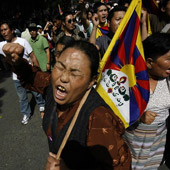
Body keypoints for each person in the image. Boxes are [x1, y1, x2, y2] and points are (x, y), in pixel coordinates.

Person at [2, 40, 132, 169]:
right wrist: (17, 61)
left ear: (91, 81)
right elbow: (32, 77)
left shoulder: (98, 118)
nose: (63, 78)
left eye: (74, 73)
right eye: (60, 67)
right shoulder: (52, 87)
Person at [123, 33, 170, 170]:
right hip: (133, 139)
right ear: (149, 62)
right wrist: (138, 116)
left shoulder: (167, 80)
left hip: (158, 139)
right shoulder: (132, 81)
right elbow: (116, 109)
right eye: (168, 59)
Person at [0, 20, 45, 123]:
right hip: (16, 78)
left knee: (36, 92)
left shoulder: (22, 41)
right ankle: (26, 114)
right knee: (22, 97)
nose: (3, 32)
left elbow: (32, 56)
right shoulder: (2, 45)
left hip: (28, 73)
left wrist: (38, 72)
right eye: (1, 30)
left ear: (12, 30)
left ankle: (42, 105)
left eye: (5, 29)